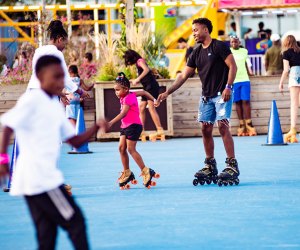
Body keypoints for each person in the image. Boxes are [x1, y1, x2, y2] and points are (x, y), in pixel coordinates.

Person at [0, 55, 107, 250]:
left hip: (34, 181)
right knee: (75, 221)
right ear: (40, 77)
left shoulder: (55, 105)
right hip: (41, 180)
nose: (60, 82)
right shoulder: (33, 99)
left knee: (46, 235)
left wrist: (95, 128)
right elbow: (7, 125)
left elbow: (73, 140)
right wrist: (3, 160)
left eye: (62, 77)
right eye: (56, 77)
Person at [157, 18, 239, 186]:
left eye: (195, 30)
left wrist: (228, 87)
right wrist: (167, 92)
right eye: (193, 30)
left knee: (223, 125)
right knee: (205, 128)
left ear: (206, 30)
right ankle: (210, 165)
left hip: (222, 94)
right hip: (206, 97)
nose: (193, 33)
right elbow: (183, 76)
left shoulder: (219, 46)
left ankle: (231, 165)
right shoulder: (195, 52)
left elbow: (233, 66)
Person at [108, 72, 160, 189]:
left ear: (126, 89)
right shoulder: (130, 94)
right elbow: (144, 92)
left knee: (131, 149)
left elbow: (124, 113)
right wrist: (154, 99)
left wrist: (111, 122)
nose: (116, 93)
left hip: (134, 126)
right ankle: (127, 172)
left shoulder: (128, 98)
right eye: (115, 90)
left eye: (118, 90)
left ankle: (146, 171)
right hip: (125, 126)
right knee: (121, 148)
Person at [27, 20, 89, 103]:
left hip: (32, 91)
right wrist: (80, 92)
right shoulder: (57, 53)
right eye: (65, 43)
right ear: (60, 40)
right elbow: (65, 78)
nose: (64, 47)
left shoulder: (38, 51)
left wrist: (60, 94)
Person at [123, 49, 165, 141]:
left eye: (129, 61)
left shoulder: (139, 61)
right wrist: (133, 80)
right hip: (147, 87)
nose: (130, 63)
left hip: (151, 87)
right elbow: (144, 75)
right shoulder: (138, 62)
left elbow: (146, 70)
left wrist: (137, 79)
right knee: (141, 107)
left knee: (151, 108)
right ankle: (141, 130)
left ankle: (159, 130)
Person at [230, 36, 257, 136]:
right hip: (234, 80)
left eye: (235, 42)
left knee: (246, 101)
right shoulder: (228, 52)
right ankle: (241, 125)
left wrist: (250, 71)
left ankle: (249, 124)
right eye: (232, 42)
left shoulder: (244, 51)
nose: (234, 44)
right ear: (230, 43)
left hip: (244, 79)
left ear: (239, 42)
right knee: (237, 102)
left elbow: (248, 63)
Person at [279, 35, 300, 143]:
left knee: (294, 104)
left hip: (295, 76)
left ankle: (293, 129)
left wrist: (281, 82)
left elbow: (286, 69)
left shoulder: (286, 53)